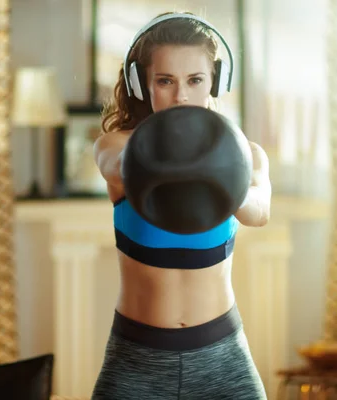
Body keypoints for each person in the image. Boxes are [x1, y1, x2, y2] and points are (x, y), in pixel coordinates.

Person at [92, 11, 271, 400]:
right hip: (135, 362)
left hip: (223, 360)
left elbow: (258, 212)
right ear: (143, 85)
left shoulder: (247, 155)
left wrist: (224, 165)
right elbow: (120, 169)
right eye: (165, 81)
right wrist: (186, 152)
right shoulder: (117, 146)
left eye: (195, 80)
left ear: (216, 82)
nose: (181, 97)